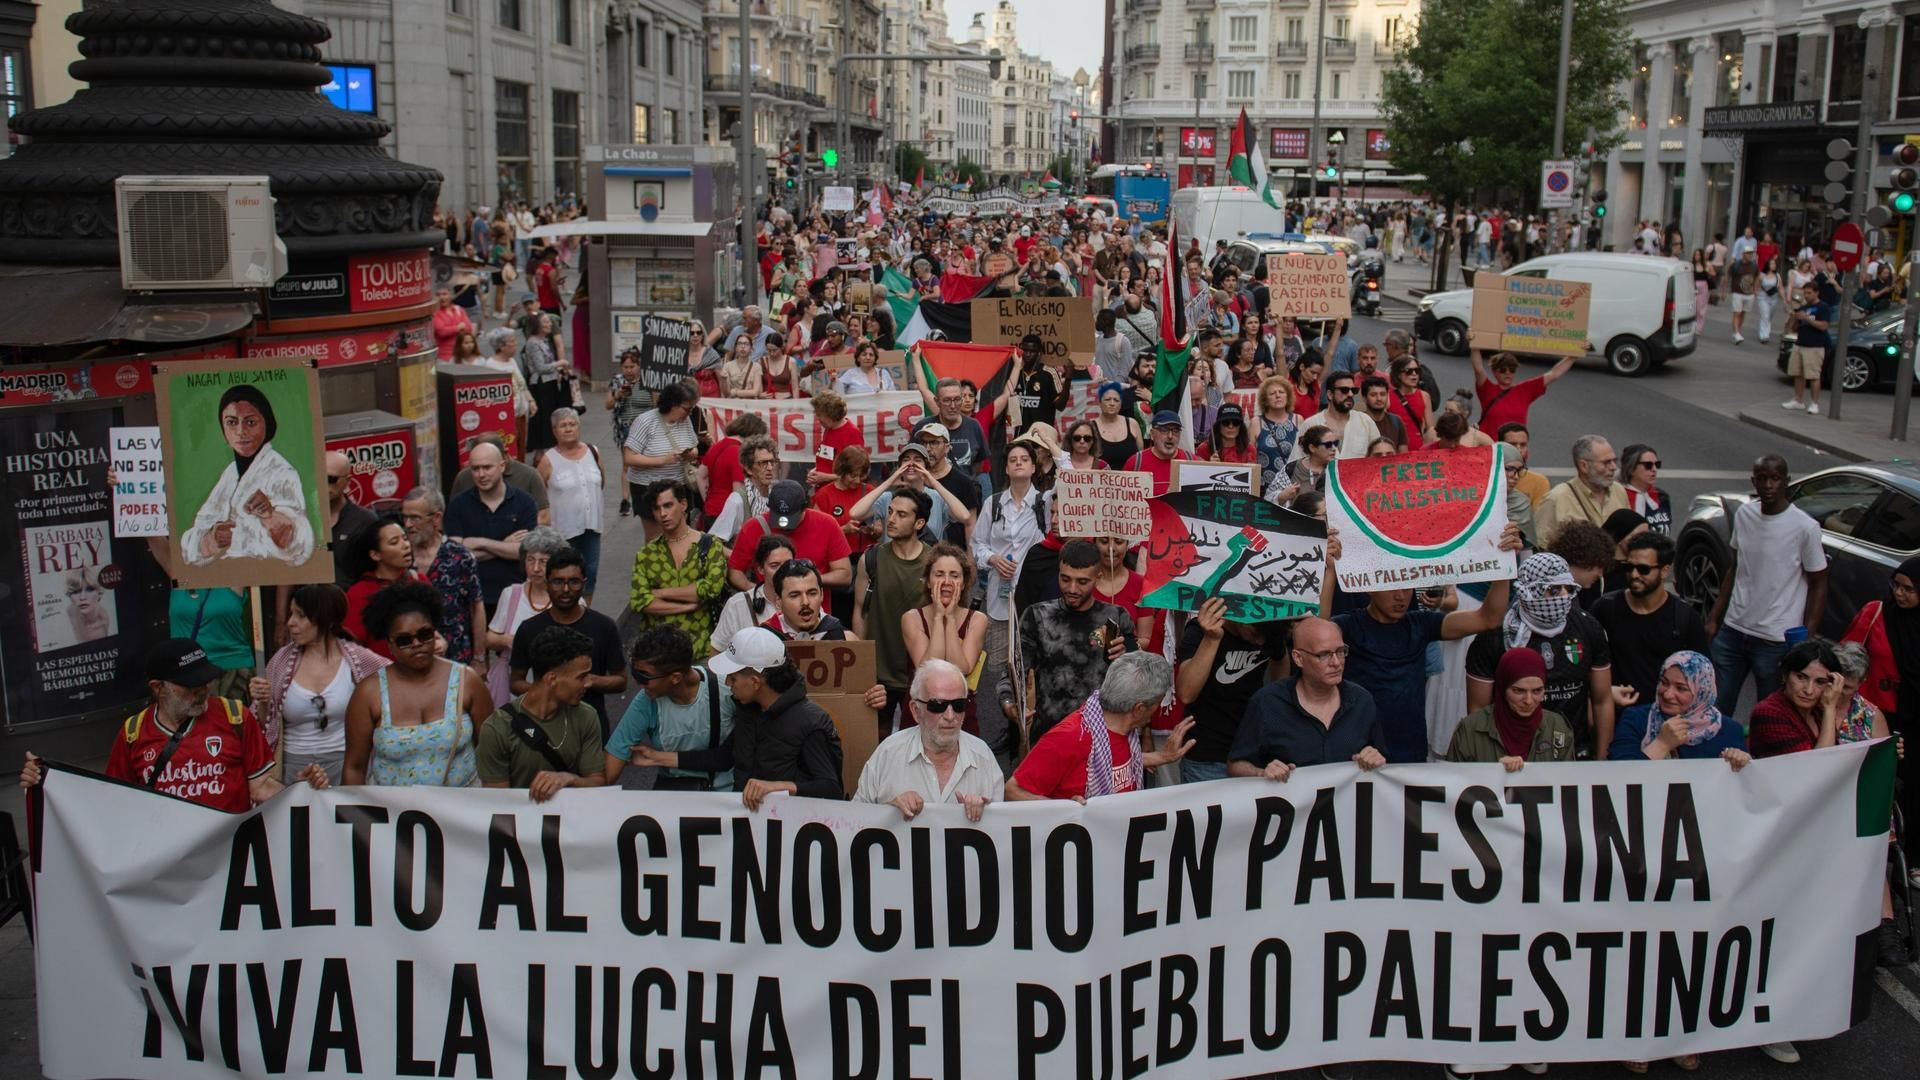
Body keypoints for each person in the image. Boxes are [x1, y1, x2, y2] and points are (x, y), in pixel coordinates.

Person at [19, 638, 327, 809]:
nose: (202, 689)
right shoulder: (133, 733)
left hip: (230, 852)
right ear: (157, 687)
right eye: (189, 684)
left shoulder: (235, 716)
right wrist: (46, 784)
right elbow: (112, 803)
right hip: (166, 864)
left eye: (205, 680)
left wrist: (300, 789)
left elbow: (260, 788)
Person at [1324, 525, 1520, 762]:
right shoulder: (1350, 626)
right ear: (1369, 588)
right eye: (1391, 586)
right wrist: (1330, 571)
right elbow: (1317, 630)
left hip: (1411, 754)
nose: (1401, 596)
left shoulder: (1421, 625)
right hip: (1358, 754)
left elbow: (1488, 618)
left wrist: (1503, 562)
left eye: (1407, 586)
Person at [632, 626, 845, 808]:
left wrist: (778, 788)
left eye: (732, 678)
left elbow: (830, 788)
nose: (727, 684)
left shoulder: (811, 722)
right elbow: (724, 757)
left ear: (754, 682)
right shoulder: (748, 710)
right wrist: (656, 757)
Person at [1706, 455, 1828, 716]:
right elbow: (1736, 568)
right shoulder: (1745, 514)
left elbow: (1819, 583)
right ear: (1754, 481)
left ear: (1787, 481)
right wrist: (1715, 618)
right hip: (1733, 631)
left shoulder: (1805, 528)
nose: (1769, 485)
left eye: (1775, 478)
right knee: (1715, 710)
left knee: (1769, 715)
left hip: (1775, 639)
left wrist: (1806, 639)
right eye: (1762, 479)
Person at [342, 582, 493, 786]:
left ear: (435, 633)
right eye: (404, 640)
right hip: (391, 812)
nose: (417, 645)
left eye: (424, 635)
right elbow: (355, 767)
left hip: (460, 811)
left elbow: (492, 755)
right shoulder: (369, 692)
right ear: (390, 645)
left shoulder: (467, 680)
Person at [1465, 553, 1616, 757]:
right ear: (1530, 591)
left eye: (1568, 589)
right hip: (1512, 753)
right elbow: (1477, 708)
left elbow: (1602, 700)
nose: (1563, 596)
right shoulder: (1495, 637)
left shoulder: (1587, 627)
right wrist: (1490, 760)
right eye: (1553, 590)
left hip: (1573, 749)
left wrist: (1602, 760)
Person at [249, 584, 389, 785]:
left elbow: (397, 681)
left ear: (325, 619)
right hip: (292, 768)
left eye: (300, 615)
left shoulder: (358, 660)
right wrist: (262, 701)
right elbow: (265, 723)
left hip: (345, 766)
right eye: (290, 614)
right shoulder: (281, 662)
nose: (290, 623)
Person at [1005, 652, 1192, 801]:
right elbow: (1013, 791)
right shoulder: (1070, 737)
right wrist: (1064, 811)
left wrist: (1163, 757)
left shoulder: (1121, 730)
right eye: (1158, 703)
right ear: (1139, 709)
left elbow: (1117, 762)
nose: (1158, 709)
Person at [1009, 538, 1139, 746]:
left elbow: (1135, 681)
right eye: (1065, 579)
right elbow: (1014, 673)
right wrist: (1010, 703)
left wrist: (1127, 658)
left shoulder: (1115, 617)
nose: (1072, 588)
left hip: (1101, 740)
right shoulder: (1037, 616)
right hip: (1049, 738)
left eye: (1082, 581)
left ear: (1098, 577)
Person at [1229, 617, 1389, 780]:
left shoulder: (1362, 701)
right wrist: (1261, 773)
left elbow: (1381, 759)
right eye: (1324, 655)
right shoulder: (1267, 703)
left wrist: (1375, 758)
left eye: (1341, 651)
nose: (1336, 663)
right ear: (1298, 658)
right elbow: (1236, 764)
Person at [184, 385, 315, 566]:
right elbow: (195, 537)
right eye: (231, 422)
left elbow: (297, 547)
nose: (240, 431)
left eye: (250, 422)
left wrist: (270, 516)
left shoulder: (282, 472)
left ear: (267, 423)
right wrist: (212, 539)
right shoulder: (230, 473)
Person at [856, 658, 1001, 819]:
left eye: (959, 705)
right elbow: (856, 820)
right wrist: (889, 812)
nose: (950, 716)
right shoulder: (887, 755)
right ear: (915, 711)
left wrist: (985, 815)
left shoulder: (983, 757)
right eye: (937, 705)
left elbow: (1003, 828)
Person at [479, 625, 610, 800]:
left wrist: (570, 779)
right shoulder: (497, 728)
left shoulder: (587, 716)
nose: (588, 683)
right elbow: (497, 803)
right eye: (581, 677)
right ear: (552, 679)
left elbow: (598, 784)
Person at [507, 547, 626, 737]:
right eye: (558, 582)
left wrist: (587, 680)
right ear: (547, 584)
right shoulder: (529, 629)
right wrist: (549, 690)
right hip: (542, 730)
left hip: (592, 730)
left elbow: (620, 680)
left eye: (573, 582)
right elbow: (515, 682)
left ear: (584, 583)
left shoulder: (604, 627)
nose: (565, 589)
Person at [602, 624, 736, 791]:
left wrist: (658, 758)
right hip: (672, 796)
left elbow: (738, 754)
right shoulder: (646, 701)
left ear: (675, 678)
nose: (637, 683)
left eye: (643, 676)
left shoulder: (727, 689)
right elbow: (610, 769)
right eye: (634, 673)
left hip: (726, 796)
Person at [852, 488, 936, 730]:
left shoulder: (934, 563)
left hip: (920, 671)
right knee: (877, 741)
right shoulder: (871, 559)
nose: (891, 519)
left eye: (901, 514)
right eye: (890, 512)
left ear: (919, 523)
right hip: (879, 674)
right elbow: (860, 612)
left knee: (921, 743)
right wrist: (862, 664)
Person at [1592, 532, 1710, 703]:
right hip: (1617, 714)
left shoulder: (1686, 618)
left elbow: (1701, 675)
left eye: (1643, 569)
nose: (1634, 575)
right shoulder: (1604, 608)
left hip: (1665, 715)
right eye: (1628, 567)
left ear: (1664, 571)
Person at [1175, 597, 1277, 784]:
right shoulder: (1199, 630)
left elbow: (1279, 684)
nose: (1260, 642)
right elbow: (1186, 693)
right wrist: (1212, 638)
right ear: (1237, 615)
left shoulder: (1270, 628)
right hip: (1207, 757)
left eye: (1265, 637)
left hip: (1253, 754)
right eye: (1254, 633)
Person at [444, 441, 538, 613]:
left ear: (502, 466)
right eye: (475, 469)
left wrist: (480, 542)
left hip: (516, 596)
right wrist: (504, 545)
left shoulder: (524, 502)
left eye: (487, 467)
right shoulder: (458, 505)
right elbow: (455, 556)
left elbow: (524, 553)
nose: (481, 474)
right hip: (472, 598)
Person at [1446, 646, 1576, 765]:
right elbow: (1453, 783)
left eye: (1537, 691)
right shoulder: (1470, 729)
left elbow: (1567, 782)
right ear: (1503, 688)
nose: (1528, 701)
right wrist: (1496, 773)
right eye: (1519, 691)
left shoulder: (1557, 727)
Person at [401, 487, 486, 666]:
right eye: (405, 517)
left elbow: (476, 607)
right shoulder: (399, 556)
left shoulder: (459, 557)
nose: (408, 524)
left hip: (456, 656)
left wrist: (479, 658)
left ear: (436, 518)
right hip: (410, 657)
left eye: (415, 517)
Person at [725, 479, 854, 597]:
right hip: (768, 611)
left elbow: (844, 574)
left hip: (815, 614)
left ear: (804, 508)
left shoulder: (827, 524)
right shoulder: (754, 527)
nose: (784, 525)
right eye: (778, 517)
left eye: (791, 519)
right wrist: (758, 592)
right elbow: (735, 571)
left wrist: (805, 579)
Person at [537, 407, 605, 599]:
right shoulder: (547, 460)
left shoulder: (593, 452)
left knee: (589, 575)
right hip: (563, 531)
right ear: (554, 430)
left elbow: (601, 482)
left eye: (572, 424)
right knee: (564, 577)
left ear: (579, 427)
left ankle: (585, 615)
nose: (568, 429)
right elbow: (538, 494)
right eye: (563, 425)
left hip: (592, 526)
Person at [849, 443, 973, 541]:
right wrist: (889, 482)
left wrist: (934, 482)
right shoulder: (888, 498)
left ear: (926, 467)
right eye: (906, 460)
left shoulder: (936, 496)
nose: (911, 464)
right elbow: (855, 513)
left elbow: (965, 516)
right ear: (899, 467)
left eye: (918, 460)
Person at [1748, 639, 1848, 758]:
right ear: (1786, 675)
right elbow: (1816, 766)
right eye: (1801, 677)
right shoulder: (1768, 713)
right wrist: (1830, 708)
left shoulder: (1818, 710)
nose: (1809, 690)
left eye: (1820, 682)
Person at [342, 516, 420, 655]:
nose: (406, 545)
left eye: (405, 538)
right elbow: (351, 646)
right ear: (375, 554)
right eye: (394, 542)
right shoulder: (359, 593)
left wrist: (439, 642)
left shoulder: (418, 580)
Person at [621, 381, 700, 518]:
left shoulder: (686, 421)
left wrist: (691, 454)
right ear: (673, 404)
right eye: (686, 409)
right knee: (656, 536)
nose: (689, 413)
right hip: (648, 488)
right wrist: (662, 460)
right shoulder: (645, 421)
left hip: (678, 487)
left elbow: (694, 448)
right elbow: (629, 457)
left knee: (680, 535)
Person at [1533, 434, 1628, 547]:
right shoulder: (1556, 498)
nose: (1613, 467)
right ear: (1584, 466)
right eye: (1606, 462)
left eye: (1614, 461)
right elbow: (1540, 547)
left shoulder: (1619, 491)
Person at [1469, 348, 1576, 437]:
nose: (1508, 373)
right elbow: (1478, 369)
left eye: (1512, 369)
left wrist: (1574, 355)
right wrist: (1474, 345)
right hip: (1488, 449)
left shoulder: (1525, 390)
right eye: (1503, 370)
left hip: (1515, 450)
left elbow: (1554, 374)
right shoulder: (1487, 389)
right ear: (1494, 372)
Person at [1291, 371, 1382, 462]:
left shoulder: (1366, 421)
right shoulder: (1311, 424)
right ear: (1330, 394)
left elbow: (1379, 457)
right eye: (1344, 390)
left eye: (1353, 390)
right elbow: (1296, 463)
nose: (1350, 394)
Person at [699, 412, 767, 525]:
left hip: (711, 509)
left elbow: (700, 475)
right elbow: (739, 490)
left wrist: (707, 500)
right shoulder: (738, 451)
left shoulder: (716, 446)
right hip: (728, 513)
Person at [323, 450, 377, 588]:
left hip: (352, 602)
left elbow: (376, 572)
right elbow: (289, 573)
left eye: (330, 479)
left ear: (347, 481)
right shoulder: (302, 518)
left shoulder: (365, 521)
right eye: (317, 477)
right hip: (310, 604)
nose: (322, 484)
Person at [1783, 280, 1832, 413]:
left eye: (1809, 293)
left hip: (1815, 346)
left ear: (1817, 293)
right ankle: (1798, 400)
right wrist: (1794, 317)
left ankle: (1814, 403)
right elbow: (1793, 328)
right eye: (1805, 293)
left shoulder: (1823, 307)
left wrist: (1808, 319)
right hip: (1800, 343)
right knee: (1798, 373)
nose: (1807, 296)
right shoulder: (1803, 307)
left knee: (1813, 375)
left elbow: (1824, 326)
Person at [1121, 410, 1194, 496]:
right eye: (1164, 430)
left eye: (1175, 431)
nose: (1170, 436)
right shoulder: (1136, 463)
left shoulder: (1192, 462)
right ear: (1152, 434)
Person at [1618, 443, 1671, 535]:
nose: (1654, 469)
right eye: (1648, 465)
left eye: (1657, 464)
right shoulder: (1618, 497)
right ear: (1631, 468)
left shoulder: (1662, 497)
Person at [1496, 424, 1550, 508]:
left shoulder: (1539, 482)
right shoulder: (1485, 479)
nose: (1519, 449)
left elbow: (1539, 518)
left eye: (1523, 445)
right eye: (1512, 444)